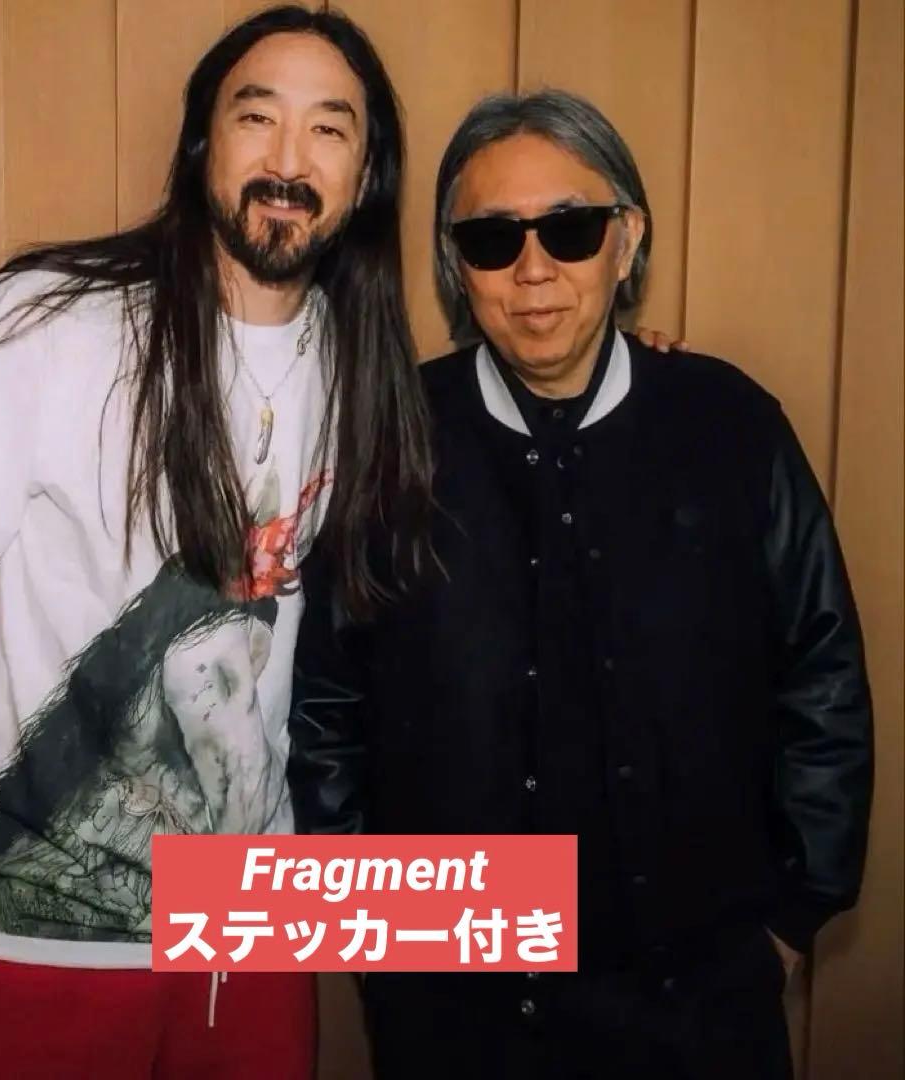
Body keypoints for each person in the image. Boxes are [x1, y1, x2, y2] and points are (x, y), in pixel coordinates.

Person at [0, 7, 435, 1078]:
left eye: (329, 129)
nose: (289, 159)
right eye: (256, 117)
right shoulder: (48, 319)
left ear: (366, 177)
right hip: (34, 933)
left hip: (254, 933)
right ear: (203, 143)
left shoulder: (367, 370)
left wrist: (644, 372)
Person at [289, 88, 874, 1080]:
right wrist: (381, 940)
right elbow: (327, 703)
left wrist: (791, 915)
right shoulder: (389, 440)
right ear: (454, 265)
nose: (534, 271)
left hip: (699, 1011)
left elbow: (822, 675)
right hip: (455, 1019)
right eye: (491, 241)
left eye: (570, 229)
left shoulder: (730, 427)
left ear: (626, 239)